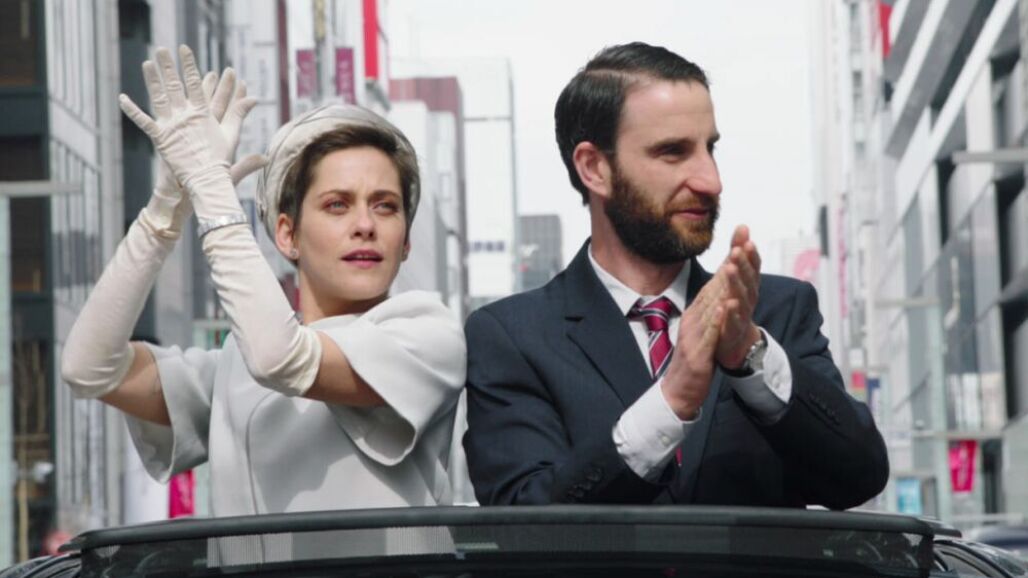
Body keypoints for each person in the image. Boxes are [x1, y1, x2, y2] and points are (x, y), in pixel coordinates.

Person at [463, 42, 888, 509]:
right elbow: (523, 518)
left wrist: (750, 359)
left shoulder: (776, 312)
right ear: (594, 168)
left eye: (710, 148)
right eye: (672, 152)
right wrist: (670, 402)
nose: (710, 181)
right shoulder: (513, 337)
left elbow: (859, 476)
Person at [61, 46, 466, 517]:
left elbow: (282, 359)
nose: (365, 225)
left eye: (385, 206)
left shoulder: (428, 333)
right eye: (337, 205)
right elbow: (90, 368)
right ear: (286, 235)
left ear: (406, 240)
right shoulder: (235, 364)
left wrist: (212, 190)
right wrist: (165, 211)